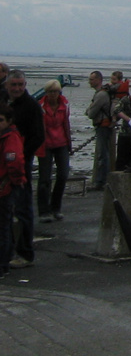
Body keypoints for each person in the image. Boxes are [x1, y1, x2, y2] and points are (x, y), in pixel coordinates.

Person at [5, 70, 44, 269]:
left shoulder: (31, 107)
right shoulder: (4, 103)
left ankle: (25, 253)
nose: (18, 88)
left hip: (21, 162)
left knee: (22, 208)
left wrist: (22, 155)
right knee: (5, 210)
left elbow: (39, 136)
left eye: (21, 84)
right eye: (14, 85)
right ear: (7, 85)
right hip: (3, 164)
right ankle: (7, 250)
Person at [37, 80, 73, 223]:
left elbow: (66, 124)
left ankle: (56, 207)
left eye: (55, 91)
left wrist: (69, 144)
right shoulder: (40, 106)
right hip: (45, 144)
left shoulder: (64, 105)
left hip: (61, 143)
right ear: (46, 93)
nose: (53, 95)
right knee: (44, 178)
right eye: (50, 92)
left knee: (63, 175)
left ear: (59, 92)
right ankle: (44, 210)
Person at [0, 106, 25, 279]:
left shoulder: (10, 137)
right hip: (6, 186)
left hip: (5, 187)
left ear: (9, 121)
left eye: (0, 120)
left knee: (3, 227)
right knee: (5, 225)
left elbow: (14, 160)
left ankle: (2, 265)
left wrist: (16, 181)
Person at [85, 71, 115, 190]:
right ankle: (102, 180)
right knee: (104, 153)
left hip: (103, 126)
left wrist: (88, 111)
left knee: (103, 154)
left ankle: (101, 181)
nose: (90, 82)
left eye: (92, 79)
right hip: (105, 125)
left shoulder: (101, 95)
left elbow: (91, 113)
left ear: (98, 80)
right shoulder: (103, 93)